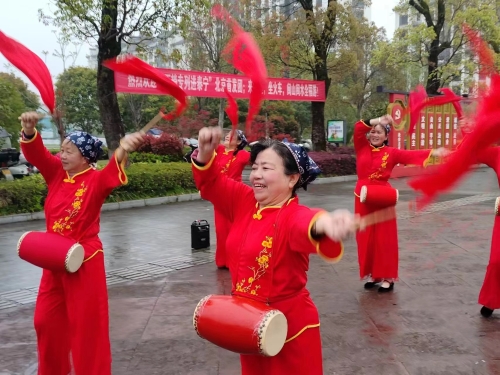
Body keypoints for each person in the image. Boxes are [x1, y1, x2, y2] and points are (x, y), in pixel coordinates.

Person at [192, 126, 356, 375]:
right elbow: (212, 183)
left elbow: (308, 223)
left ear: (292, 179)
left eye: (266, 168)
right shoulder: (244, 200)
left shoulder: (293, 215)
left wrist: (326, 224)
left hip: (287, 329)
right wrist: (204, 153)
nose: (256, 174)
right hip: (247, 324)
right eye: (255, 167)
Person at [19, 111, 145, 375]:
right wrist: (30, 131)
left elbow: (113, 169)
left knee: (87, 329)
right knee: (45, 321)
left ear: (85, 157)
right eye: (62, 150)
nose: (62, 155)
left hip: (83, 261)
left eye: (69, 151)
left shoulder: (96, 181)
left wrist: (123, 148)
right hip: (53, 259)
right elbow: (37, 154)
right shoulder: (56, 174)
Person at [353, 114, 449, 292]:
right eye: (372, 132)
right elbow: (358, 128)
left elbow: (410, 155)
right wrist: (378, 120)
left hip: (382, 197)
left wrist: (435, 152)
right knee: (366, 237)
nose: (374, 135)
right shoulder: (362, 147)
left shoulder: (391, 153)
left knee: (384, 238)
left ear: (386, 136)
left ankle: (388, 277)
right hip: (363, 198)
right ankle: (375, 274)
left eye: (379, 132)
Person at [457, 120, 500, 317]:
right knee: (496, 261)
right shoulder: (497, 154)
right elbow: (473, 150)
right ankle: (492, 300)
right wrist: (468, 130)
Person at [214, 129, 251, 268]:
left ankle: (235, 260)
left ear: (239, 142)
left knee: (234, 229)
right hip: (219, 195)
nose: (228, 136)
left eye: (232, 136)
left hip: (235, 195)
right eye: (227, 135)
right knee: (221, 229)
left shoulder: (242, 154)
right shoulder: (219, 150)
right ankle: (222, 261)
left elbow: (259, 159)